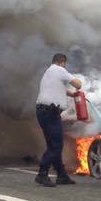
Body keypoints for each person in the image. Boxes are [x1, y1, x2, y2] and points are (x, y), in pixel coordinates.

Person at [34, 53, 83, 186]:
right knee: (56, 145)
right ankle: (42, 174)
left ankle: (61, 176)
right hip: (50, 112)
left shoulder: (49, 72)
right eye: (65, 64)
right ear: (63, 62)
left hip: (43, 112)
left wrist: (71, 94)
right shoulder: (59, 69)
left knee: (53, 145)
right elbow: (78, 84)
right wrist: (77, 88)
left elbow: (58, 87)